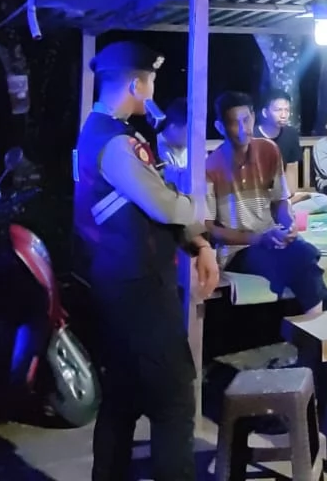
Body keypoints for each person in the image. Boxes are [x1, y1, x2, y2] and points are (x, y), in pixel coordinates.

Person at [73, 41, 220, 481]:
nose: (153, 90)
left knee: (122, 396)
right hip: (137, 287)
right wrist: (196, 208)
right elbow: (164, 205)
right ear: (136, 85)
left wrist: (198, 245)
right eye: (151, 81)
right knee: (173, 398)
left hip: (116, 283)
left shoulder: (98, 132)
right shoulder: (116, 143)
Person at [206, 91, 327, 315]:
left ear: (254, 117)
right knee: (303, 260)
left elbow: (280, 201)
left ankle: (320, 328)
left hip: (272, 238)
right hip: (238, 250)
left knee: (305, 254)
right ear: (220, 127)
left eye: (246, 119)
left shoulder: (268, 150)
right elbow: (210, 228)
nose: (244, 128)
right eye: (235, 123)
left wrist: (288, 223)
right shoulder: (211, 166)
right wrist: (257, 239)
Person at [256, 88, 327, 213]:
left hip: (282, 196)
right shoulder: (253, 136)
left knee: (321, 200)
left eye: (286, 110)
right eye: (278, 110)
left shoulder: (290, 134)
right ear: (265, 112)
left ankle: (279, 211)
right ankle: (277, 212)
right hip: (257, 195)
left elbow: (291, 174)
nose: (283, 115)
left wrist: (290, 197)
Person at [155, 97, 190, 194]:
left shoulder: (194, 151)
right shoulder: (154, 151)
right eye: (191, 131)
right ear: (173, 128)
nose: (196, 136)